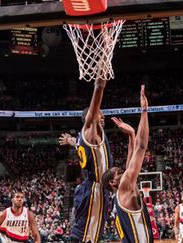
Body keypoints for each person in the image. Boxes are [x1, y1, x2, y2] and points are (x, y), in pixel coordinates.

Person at [61, 76, 114, 243]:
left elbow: (77, 145)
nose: (102, 115)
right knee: (86, 236)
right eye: (99, 113)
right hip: (94, 190)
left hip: (94, 189)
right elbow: (94, 105)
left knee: (91, 234)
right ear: (90, 117)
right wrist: (99, 85)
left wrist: (69, 140)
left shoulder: (84, 139)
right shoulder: (91, 132)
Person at [102, 85, 153, 243]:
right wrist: (144, 111)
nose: (123, 172)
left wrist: (131, 135)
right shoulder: (125, 187)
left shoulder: (117, 196)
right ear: (113, 182)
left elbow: (130, 161)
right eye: (119, 173)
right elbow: (141, 147)